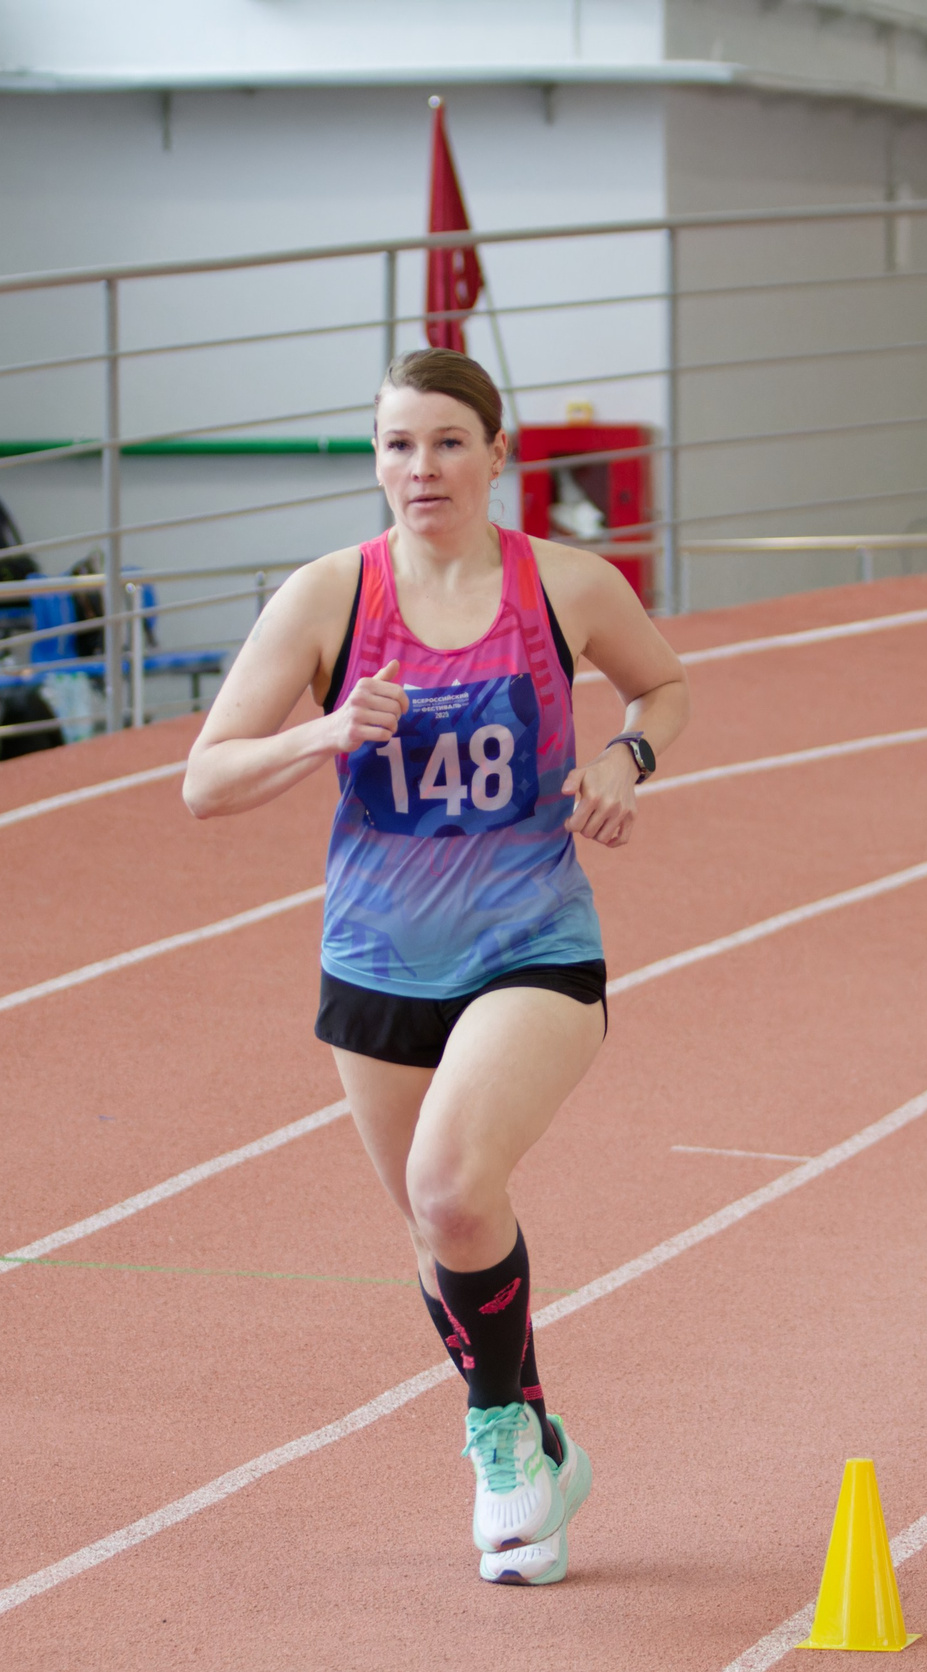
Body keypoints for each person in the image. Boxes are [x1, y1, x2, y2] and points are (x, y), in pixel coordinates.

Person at [184, 348, 689, 1586]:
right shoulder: (325, 599)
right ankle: (535, 1430)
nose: (423, 468)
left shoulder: (564, 584)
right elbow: (204, 782)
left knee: (456, 1186)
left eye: (449, 442)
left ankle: (494, 1445)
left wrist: (627, 756)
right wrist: (319, 732)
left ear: (497, 455)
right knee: (432, 1229)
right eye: (399, 445)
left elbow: (663, 686)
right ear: (375, 461)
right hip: (374, 964)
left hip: (533, 948)